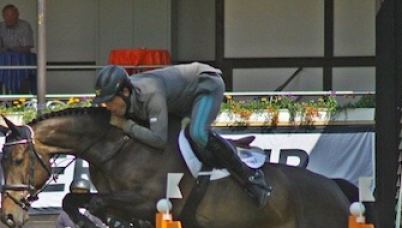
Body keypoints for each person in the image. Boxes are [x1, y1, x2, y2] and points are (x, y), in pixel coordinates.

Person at [93, 63, 272, 207]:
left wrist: (126, 125)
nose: (107, 107)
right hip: (180, 99)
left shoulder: (150, 95)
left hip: (206, 86)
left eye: (109, 101)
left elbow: (158, 140)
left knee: (198, 133)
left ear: (124, 92)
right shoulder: (131, 95)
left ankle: (250, 177)